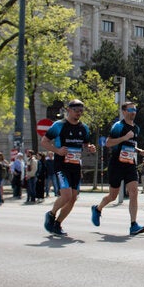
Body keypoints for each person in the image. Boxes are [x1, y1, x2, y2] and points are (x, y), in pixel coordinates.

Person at [42, 99, 98, 236]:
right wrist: (57, 150)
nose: (79, 113)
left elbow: (85, 144)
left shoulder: (84, 128)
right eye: (76, 110)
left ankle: (58, 223)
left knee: (73, 198)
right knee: (66, 195)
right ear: (69, 110)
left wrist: (90, 148)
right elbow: (44, 142)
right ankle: (51, 214)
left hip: (75, 166)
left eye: (81, 111)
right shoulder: (59, 125)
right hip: (62, 165)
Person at [92, 101, 144, 236]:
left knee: (134, 192)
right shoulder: (118, 126)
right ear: (124, 112)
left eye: (135, 109)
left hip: (130, 164)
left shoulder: (136, 128)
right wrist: (124, 137)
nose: (133, 112)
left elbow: (130, 144)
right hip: (116, 164)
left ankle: (133, 225)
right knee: (113, 195)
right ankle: (98, 209)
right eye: (130, 109)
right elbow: (108, 143)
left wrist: (140, 151)